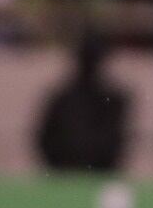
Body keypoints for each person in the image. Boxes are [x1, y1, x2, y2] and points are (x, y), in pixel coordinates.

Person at [35, 35, 130, 172]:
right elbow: (44, 139)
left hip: (98, 175)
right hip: (64, 175)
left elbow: (115, 143)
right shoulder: (61, 99)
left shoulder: (114, 101)